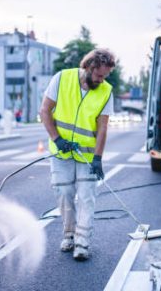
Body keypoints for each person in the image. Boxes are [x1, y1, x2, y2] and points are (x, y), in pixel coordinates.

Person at [40, 49, 115, 261]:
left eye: (105, 77)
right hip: (61, 151)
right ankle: (69, 234)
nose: (102, 80)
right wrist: (56, 139)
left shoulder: (106, 91)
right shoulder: (62, 78)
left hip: (87, 156)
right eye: (99, 75)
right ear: (89, 67)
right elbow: (45, 110)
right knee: (63, 193)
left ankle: (82, 242)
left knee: (86, 197)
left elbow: (102, 128)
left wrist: (98, 158)